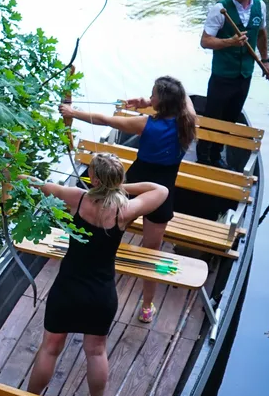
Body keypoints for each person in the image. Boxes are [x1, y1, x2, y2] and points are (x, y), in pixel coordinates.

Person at [21, 153, 168, 396]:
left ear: (93, 178)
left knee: (51, 347)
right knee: (96, 352)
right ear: (117, 179)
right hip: (101, 292)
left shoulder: (76, 198)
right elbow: (160, 190)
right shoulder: (125, 211)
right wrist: (120, 187)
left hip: (67, 287)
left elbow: (35, 183)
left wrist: (11, 175)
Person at [59, 76, 196, 323]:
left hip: (132, 184)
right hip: (162, 190)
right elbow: (184, 98)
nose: (149, 97)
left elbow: (104, 120)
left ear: (162, 103)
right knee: (151, 252)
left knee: (107, 233)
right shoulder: (188, 122)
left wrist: (72, 111)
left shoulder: (146, 124)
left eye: (153, 95)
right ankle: (146, 307)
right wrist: (149, 101)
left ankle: (92, 281)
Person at [197, 0, 269, 168]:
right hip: (222, 75)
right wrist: (229, 42)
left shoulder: (260, 7)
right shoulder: (220, 9)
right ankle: (203, 156)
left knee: (231, 117)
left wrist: (265, 61)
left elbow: (261, 34)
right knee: (213, 117)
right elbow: (205, 41)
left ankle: (217, 154)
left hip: (245, 75)